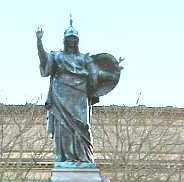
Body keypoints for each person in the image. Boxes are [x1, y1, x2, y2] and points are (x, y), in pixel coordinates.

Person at [36, 19, 121, 165]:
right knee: (63, 127)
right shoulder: (56, 56)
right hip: (60, 92)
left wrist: (112, 73)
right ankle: (64, 158)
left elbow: (96, 73)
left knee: (83, 125)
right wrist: (39, 42)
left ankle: (84, 158)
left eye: (74, 39)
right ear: (65, 41)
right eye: (69, 39)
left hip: (80, 94)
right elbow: (45, 66)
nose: (71, 42)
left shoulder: (85, 59)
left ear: (77, 41)